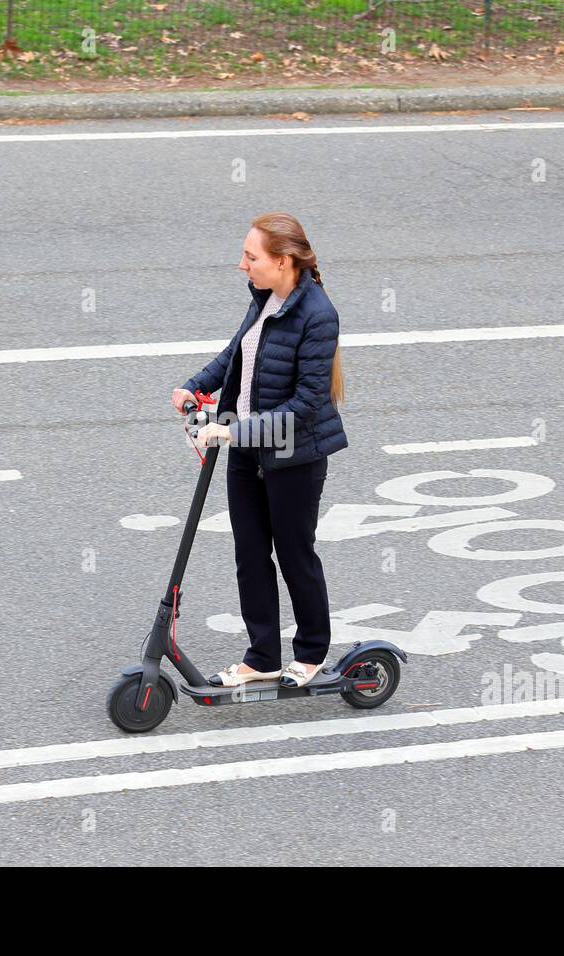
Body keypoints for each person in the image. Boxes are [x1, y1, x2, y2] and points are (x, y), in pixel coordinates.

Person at [172, 212, 348, 689]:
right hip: (247, 449)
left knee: (294, 554)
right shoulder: (266, 300)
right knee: (250, 554)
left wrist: (232, 432)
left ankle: (311, 652)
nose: (242, 265)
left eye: (251, 257)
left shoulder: (317, 315)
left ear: (283, 260)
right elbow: (237, 355)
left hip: (294, 455)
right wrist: (194, 385)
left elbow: (307, 405)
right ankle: (263, 655)